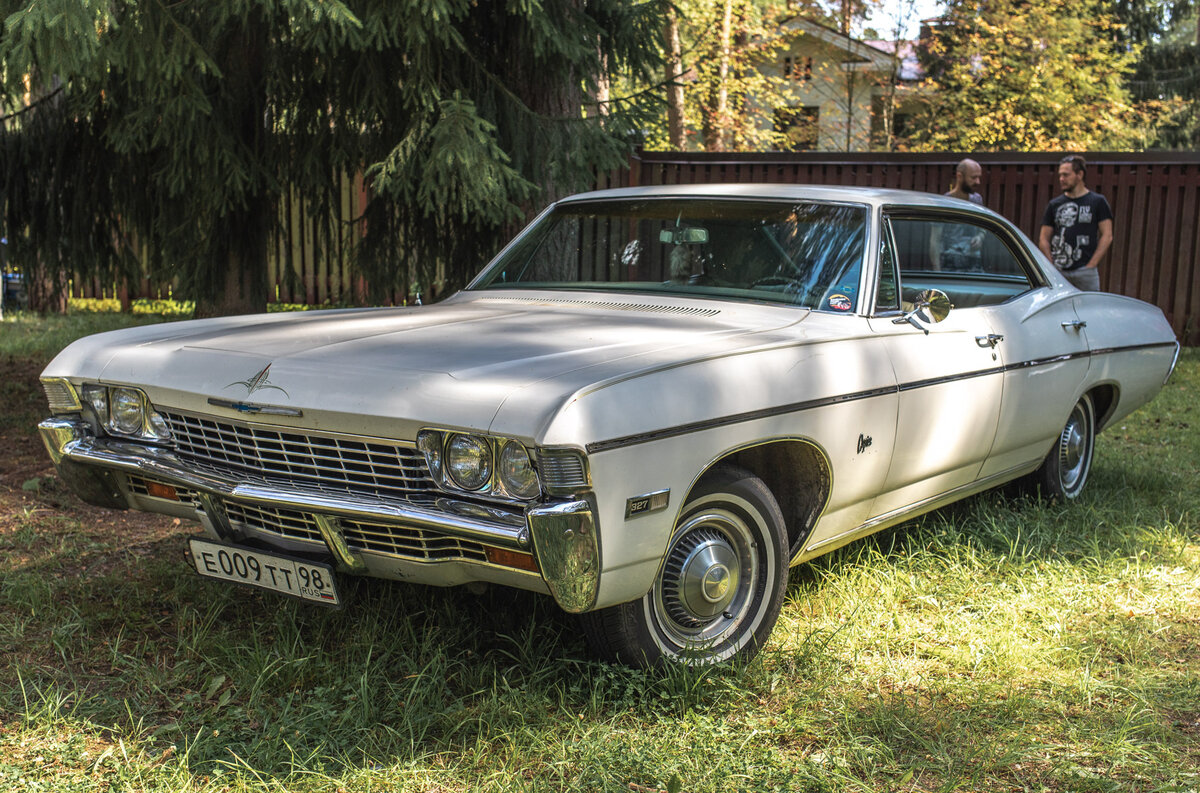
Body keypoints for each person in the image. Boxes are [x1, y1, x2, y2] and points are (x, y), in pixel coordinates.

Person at [1038, 155, 1112, 291]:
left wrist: (1092, 264)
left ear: (1080, 174)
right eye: (1060, 175)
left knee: (1090, 309)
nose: (1061, 179)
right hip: (1059, 271)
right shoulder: (1055, 204)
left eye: (1066, 175)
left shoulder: (1097, 202)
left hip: (1085, 271)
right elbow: (1043, 238)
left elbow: (1107, 235)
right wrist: (1051, 265)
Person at [930, 158, 984, 270]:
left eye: (979, 177)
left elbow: (982, 228)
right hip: (950, 264)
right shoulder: (943, 203)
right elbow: (935, 239)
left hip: (973, 263)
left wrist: (980, 237)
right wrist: (937, 271)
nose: (978, 182)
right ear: (960, 176)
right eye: (973, 177)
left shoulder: (977, 200)